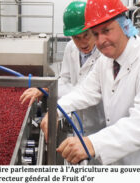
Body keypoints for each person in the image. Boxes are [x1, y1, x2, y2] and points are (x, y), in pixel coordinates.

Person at [41, 0, 140, 165]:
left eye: (106, 30)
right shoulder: (106, 61)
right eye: (96, 33)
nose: (101, 41)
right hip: (128, 155)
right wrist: (57, 110)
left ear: (124, 24)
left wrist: (94, 143)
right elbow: (85, 91)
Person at [20, 1, 105, 136]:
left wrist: (57, 110)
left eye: (86, 35)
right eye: (76, 37)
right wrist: (46, 88)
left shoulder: (105, 54)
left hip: (100, 124)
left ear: (93, 29)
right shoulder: (71, 47)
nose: (82, 42)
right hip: (78, 122)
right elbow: (65, 80)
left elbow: (91, 91)